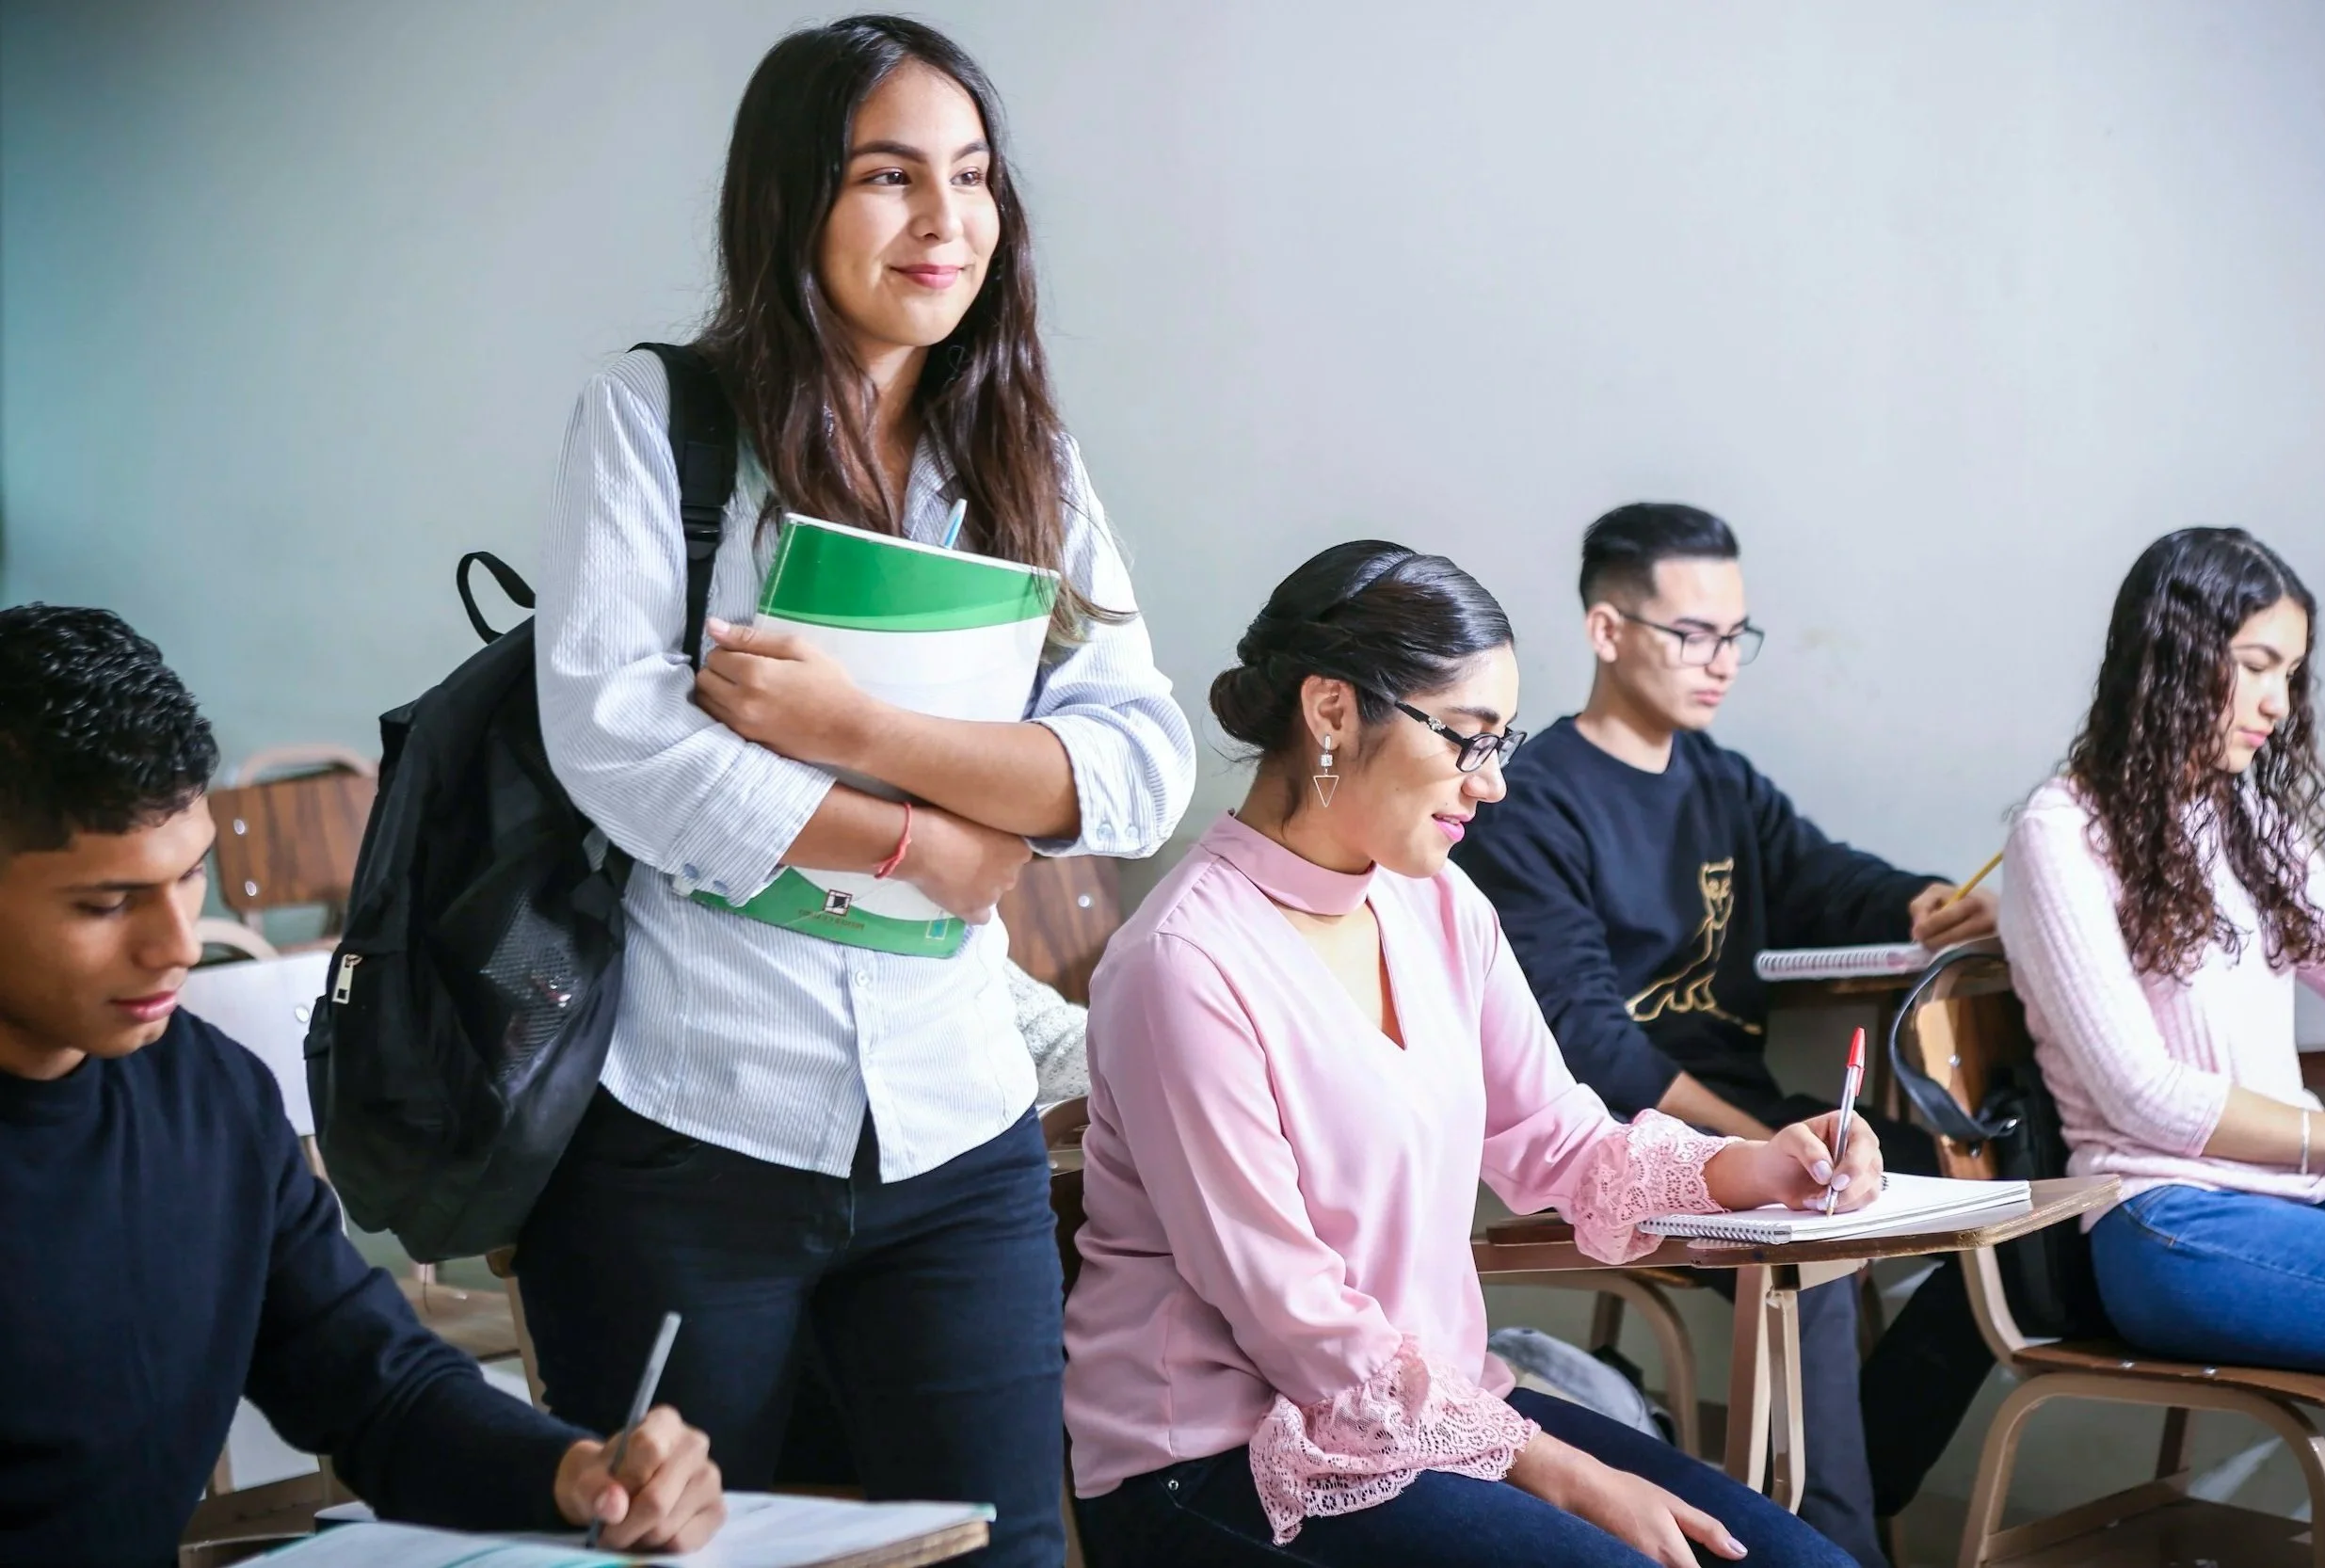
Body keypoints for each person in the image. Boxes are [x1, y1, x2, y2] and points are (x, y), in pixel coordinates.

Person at [519, 18, 1195, 1567]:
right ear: (792, 202)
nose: (945, 220)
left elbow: (1139, 759)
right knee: (680, 1549)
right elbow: (618, 739)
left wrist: (855, 729)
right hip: (688, 1123)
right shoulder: (659, 421)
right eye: (889, 176)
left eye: (970, 178)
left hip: (956, 1127)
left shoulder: (1027, 453)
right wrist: (929, 842)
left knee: (1006, 1552)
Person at [1064, 541, 1874, 1568]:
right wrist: (1566, 1470)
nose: (1489, 785)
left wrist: (1758, 1164)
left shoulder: (1439, 903)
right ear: (1330, 711)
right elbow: (1294, 1317)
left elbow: (1558, 1138)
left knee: (1807, 1564)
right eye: (1467, 739)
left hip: (1429, 1415)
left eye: (1502, 743)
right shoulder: (1182, 964)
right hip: (1221, 1459)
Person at [0, 605, 726, 1568]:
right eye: (105, 903)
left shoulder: (210, 1101)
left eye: (189, 880)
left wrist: (573, 1472)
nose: (177, 943)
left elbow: (376, 1387)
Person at [1451, 503, 1999, 1551]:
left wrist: (1920, 901)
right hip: (1618, 1139)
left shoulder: (1720, 782)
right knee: (1813, 1248)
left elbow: (1822, 878)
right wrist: (1748, 1147)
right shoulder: (1535, 801)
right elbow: (1590, 1047)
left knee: (1983, 1195)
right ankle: (1847, 1543)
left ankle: (1861, 1477)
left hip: (1744, 1119)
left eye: (1733, 635)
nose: (1720, 663)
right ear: (1607, 630)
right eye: (1690, 634)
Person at [2001, 527, 2325, 1369]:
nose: (2278, 702)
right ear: (2175, 652)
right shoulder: (2060, 832)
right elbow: (2145, 1098)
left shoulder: (2255, 824)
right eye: (2257, 664)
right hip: (2170, 1219)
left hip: (2303, 1194)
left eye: (2291, 675)